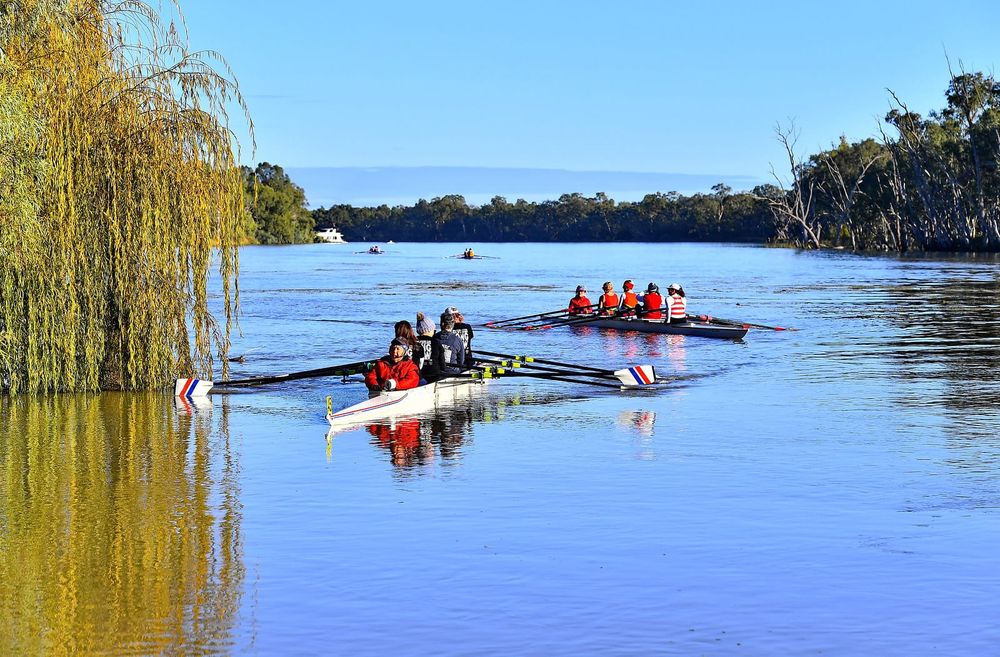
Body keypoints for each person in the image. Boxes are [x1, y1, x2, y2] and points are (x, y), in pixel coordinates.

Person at [423, 312, 466, 382]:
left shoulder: (434, 337)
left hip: (437, 372)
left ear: (442, 324)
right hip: (452, 372)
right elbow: (461, 361)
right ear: (453, 324)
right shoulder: (458, 339)